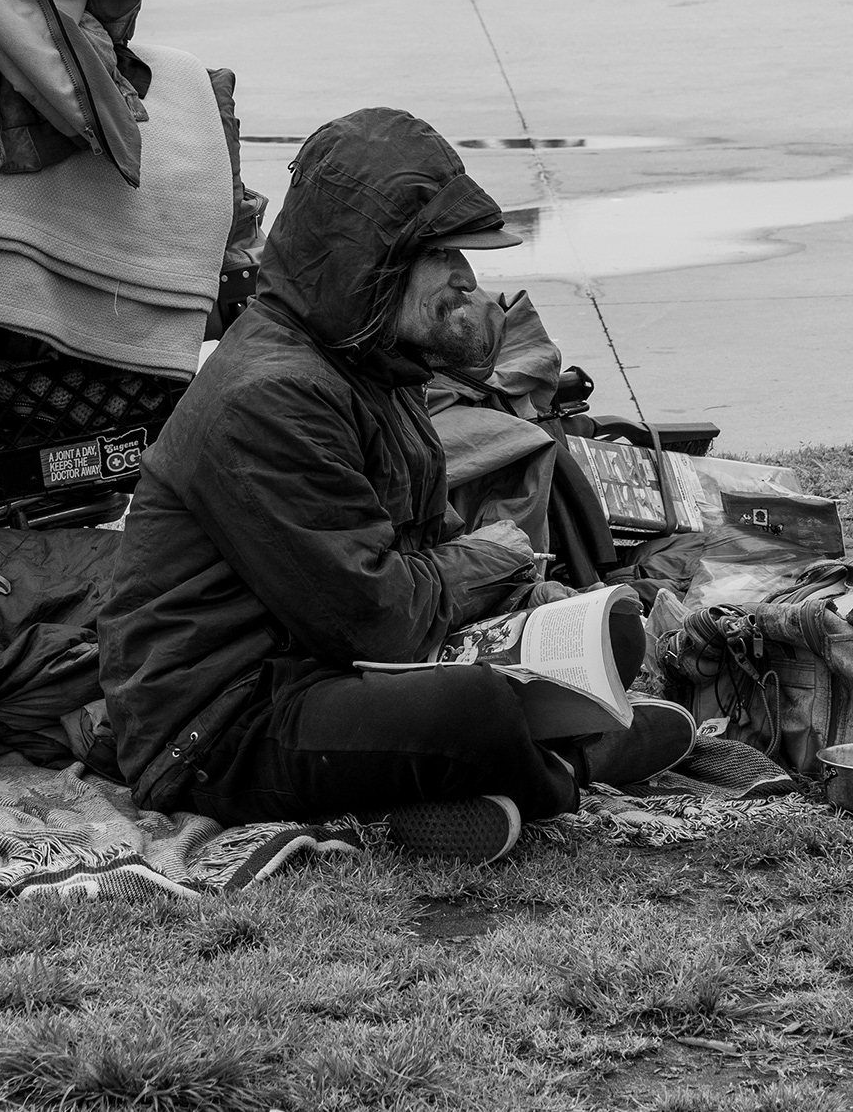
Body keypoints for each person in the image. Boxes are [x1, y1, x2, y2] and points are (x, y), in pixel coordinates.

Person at [98, 108, 694, 861]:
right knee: (472, 706)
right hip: (222, 724)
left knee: (603, 625)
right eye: (442, 256)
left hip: (331, 666)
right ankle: (568, 769)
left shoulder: (375, 364)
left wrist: (518, 596)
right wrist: (487, 561)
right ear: (371, 262)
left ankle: (474, 778)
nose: (466, 279)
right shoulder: (270, 395)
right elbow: (375, 617)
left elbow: (417, 556)